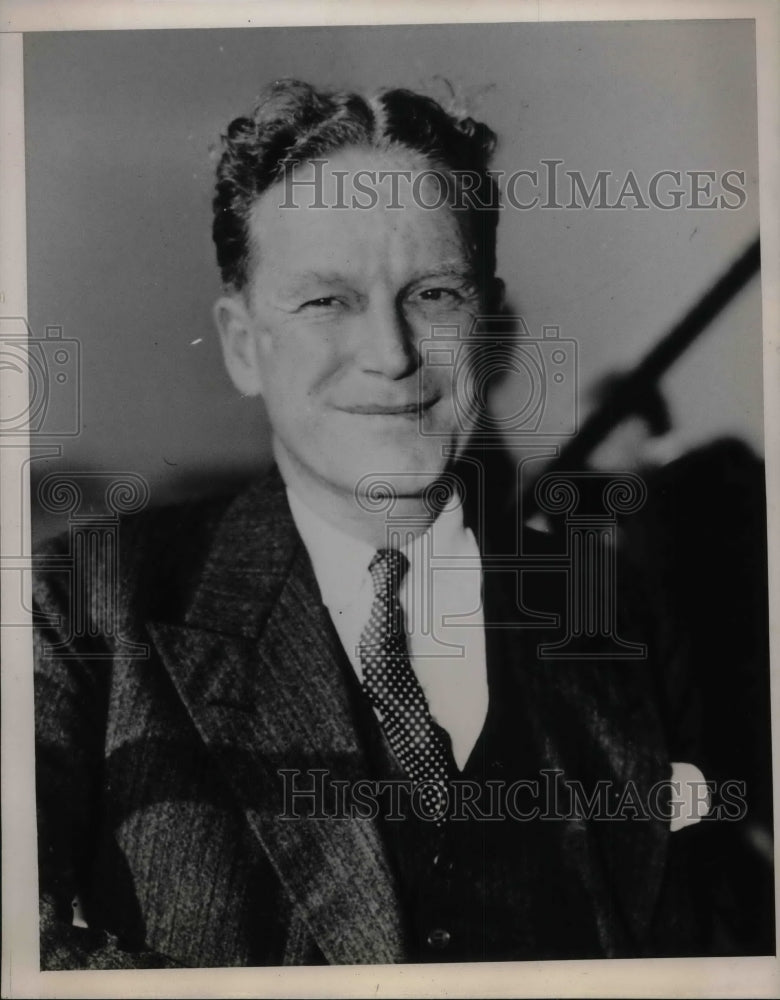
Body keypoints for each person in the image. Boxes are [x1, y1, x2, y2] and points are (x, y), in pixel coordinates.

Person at [33, 79, 772, 970]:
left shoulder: (616, 609)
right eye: (326, 302)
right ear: (240, 343)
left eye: (433, 296)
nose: (390, 355)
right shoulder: (84, 606)